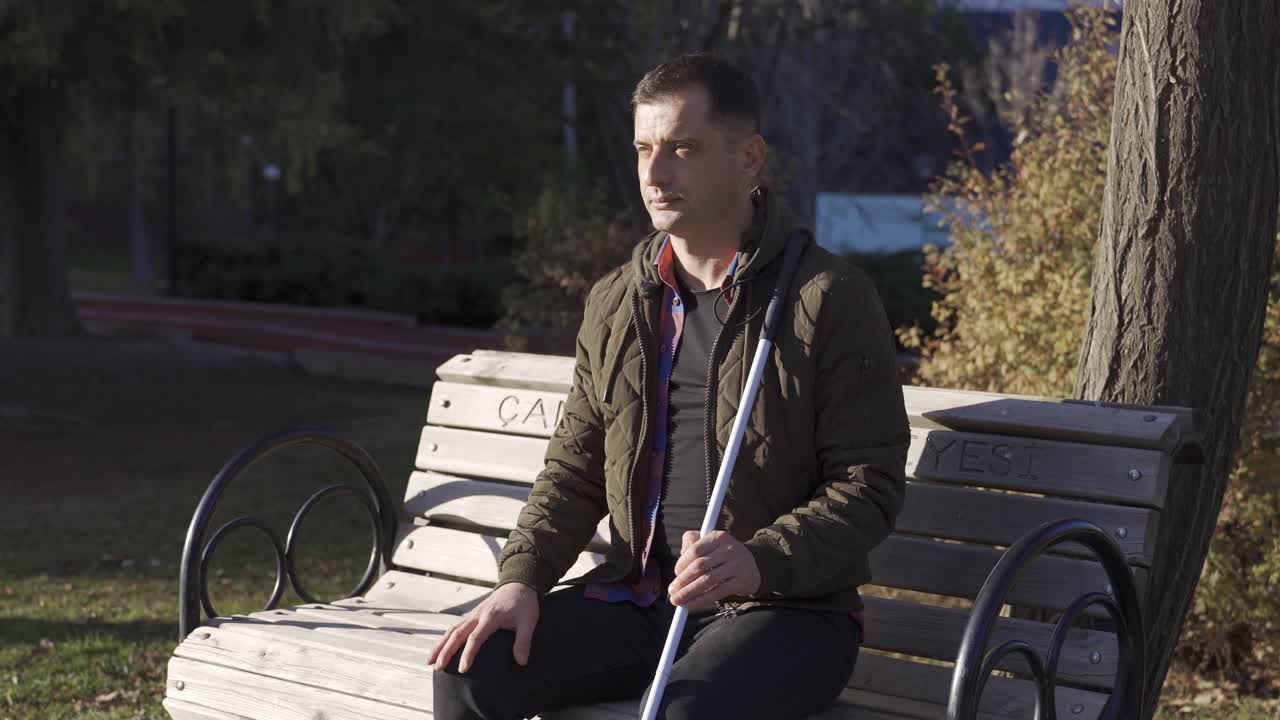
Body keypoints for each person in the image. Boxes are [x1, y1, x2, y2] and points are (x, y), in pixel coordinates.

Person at [429, 52, 909, 720]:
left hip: (784, 611)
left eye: (682, 148)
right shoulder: (618, 302)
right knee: (470, 674)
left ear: (748, 159)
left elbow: (869, 487)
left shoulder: (826, 298)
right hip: (639, 600)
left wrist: (760, 560)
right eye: (644, 148)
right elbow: (574, 469)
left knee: (683, 713)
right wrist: (522, 580)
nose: (655, 173)